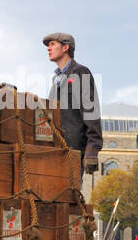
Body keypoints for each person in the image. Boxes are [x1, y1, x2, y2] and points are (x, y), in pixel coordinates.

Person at [43, 33, 102, 178]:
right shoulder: (56, 79)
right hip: (56, 149)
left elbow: (91, 112)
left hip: (73, 150)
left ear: (65, 47)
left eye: (52, 44)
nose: (48, 48)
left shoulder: (80, 72)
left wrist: (92, 151)